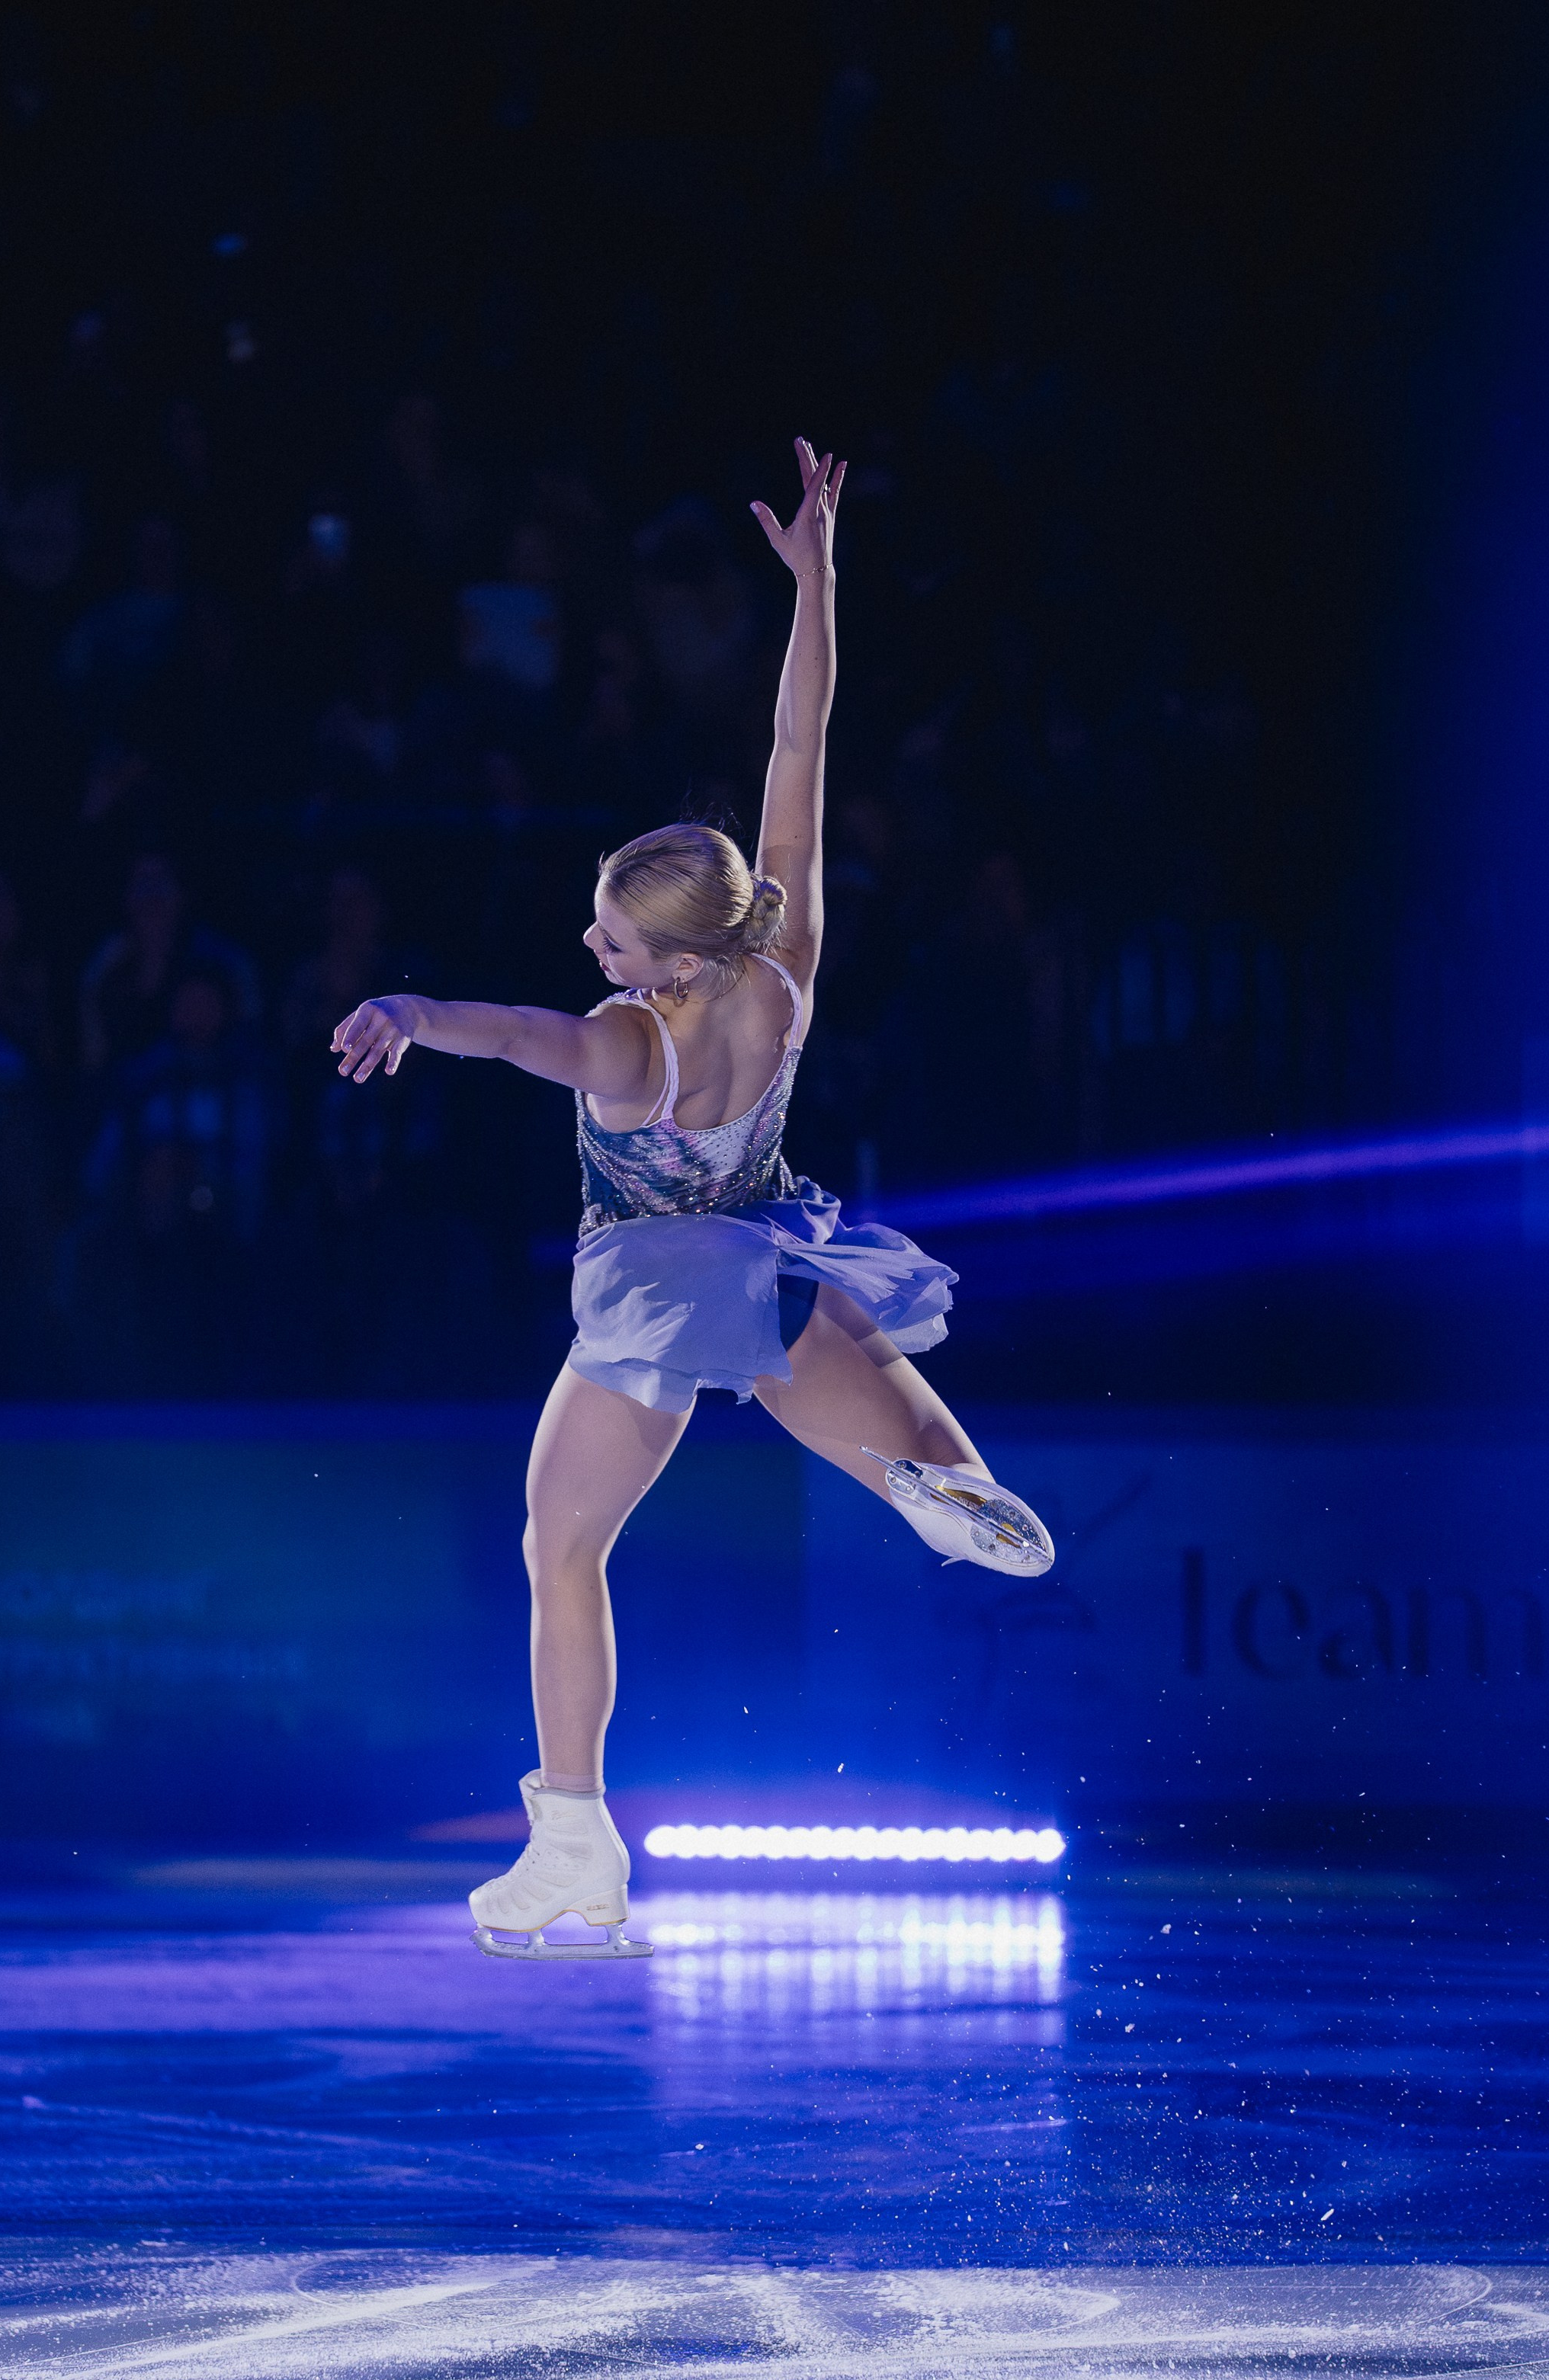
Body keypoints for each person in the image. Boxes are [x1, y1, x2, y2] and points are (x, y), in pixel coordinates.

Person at [333, 440, 1054, 1960]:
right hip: (779, 1242)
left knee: (560, 1545)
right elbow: (803, 752)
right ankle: (940, 1475)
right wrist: (820, 583)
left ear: (666, 964)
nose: (590, 946)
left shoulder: (626, 1044)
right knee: (838, 1366)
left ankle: (577, 1849)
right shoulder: (775, 961)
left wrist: (412, 1004)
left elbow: (516, 1032)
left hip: (662, 1281)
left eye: (609, 935)